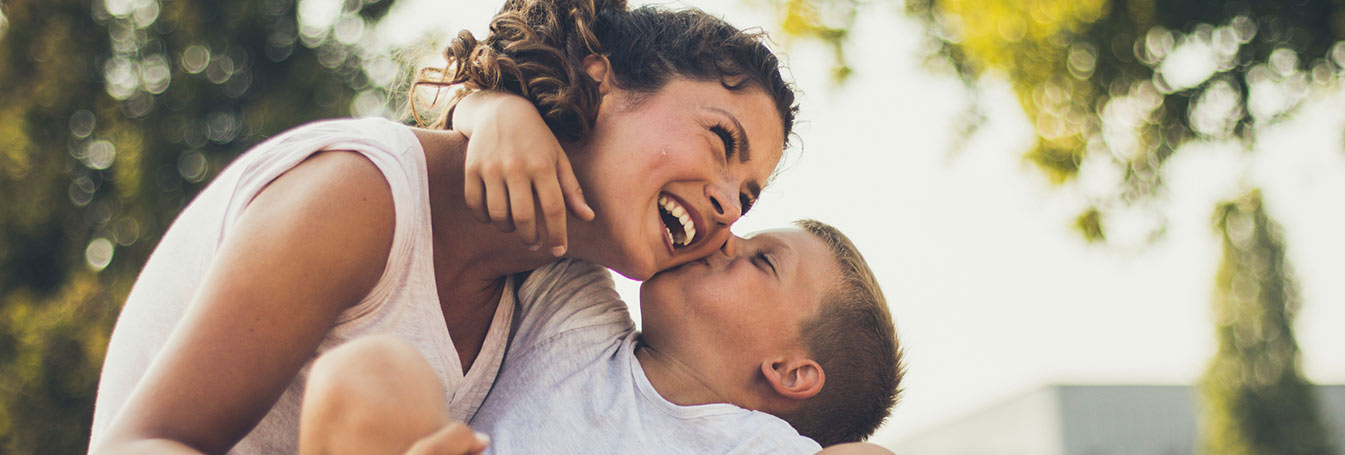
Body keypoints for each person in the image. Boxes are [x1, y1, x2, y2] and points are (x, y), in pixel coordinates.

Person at [87, 0, 796, 453]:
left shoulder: (553, 282)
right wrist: (484, 104)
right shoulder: (361, 197)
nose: (731, 209)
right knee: (378, 381)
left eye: (748, 197)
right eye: (720, 141)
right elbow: (138, 443)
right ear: (602, 80)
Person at [298, 221, 903, 455]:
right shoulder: (581, 320)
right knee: (370, 372)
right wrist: (485, 113)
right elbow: (559, 156)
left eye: (762, 261)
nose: (726, 236)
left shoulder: (757, 446)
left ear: (790, 372)